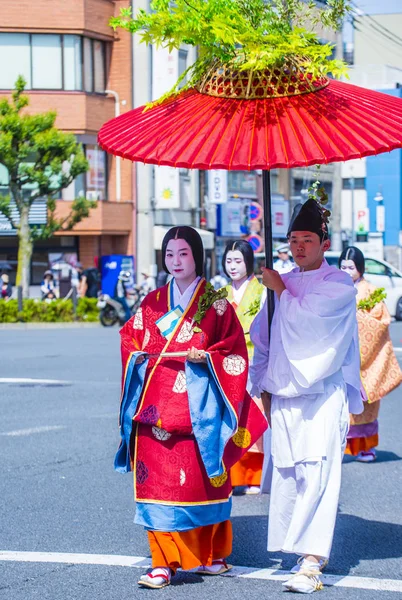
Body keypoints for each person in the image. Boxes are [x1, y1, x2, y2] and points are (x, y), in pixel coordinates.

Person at [116, 225, 267, 590]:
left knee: (202, 483)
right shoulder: (152, 302)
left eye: (183, 253)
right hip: (153, 410)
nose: (176, 261)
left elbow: (232, 352)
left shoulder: (215, 303)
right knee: (159, 488)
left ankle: (209, 556)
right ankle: (163, 563)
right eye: (169, 254)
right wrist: (140, 356)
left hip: (199, 410)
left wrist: (208, 358)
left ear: (197, 256)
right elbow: (130, 340)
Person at [250, 198, 363, 594]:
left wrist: (280, 290)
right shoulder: (281, 280)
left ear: (324, 243)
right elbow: (263, 339)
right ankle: (293, 547)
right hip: (283, 390)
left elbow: (314, 329)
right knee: (287, 471)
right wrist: (260, 381)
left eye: (308, 239)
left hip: (320, 391)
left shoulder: (338, 283)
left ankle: (312, 560)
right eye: (294, 239)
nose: (299, 247)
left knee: (317, 471)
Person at [339, 246, 402, 462]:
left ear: (360, 268)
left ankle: (367, 448)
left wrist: (355, 318)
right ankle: (342, 447)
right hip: (340, 357)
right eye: (343, 267)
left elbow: (381, 322)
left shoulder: (372, 291)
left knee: (367, 407)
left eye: (351, 267)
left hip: (365, 360)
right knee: (341, 407)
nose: (347, 271)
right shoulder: (334, 290)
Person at [222, 240, 265, 494]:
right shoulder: (221, 294)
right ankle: (233, 476)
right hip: (228, 365)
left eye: (238, 261)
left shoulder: (260, 293)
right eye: (229, 261)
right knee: (231, 418)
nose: (233, 266)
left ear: (248, 262)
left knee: (252, 416)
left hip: (254, 360)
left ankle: (254, 476)